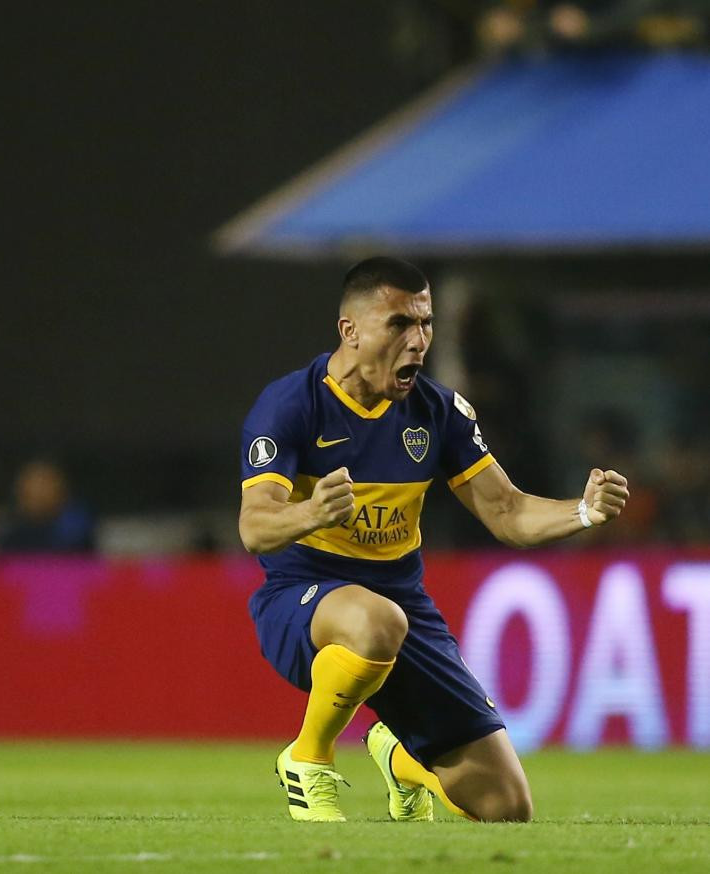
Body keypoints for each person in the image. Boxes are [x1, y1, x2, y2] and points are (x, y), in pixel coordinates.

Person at [238, 257, 629, 823]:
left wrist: (584, 511)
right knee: (376, 622)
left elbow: (508, 511)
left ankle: (398, 755)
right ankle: (308, 758)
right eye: (399, 324)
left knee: (505, 807)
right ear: (350, 331)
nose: (418, 340)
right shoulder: (291, 405)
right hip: (304, 599)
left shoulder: (438, 412)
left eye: (425, 323)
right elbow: (254, 526)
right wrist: (311, 513)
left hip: (404, 610)